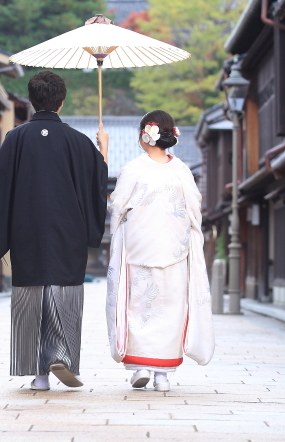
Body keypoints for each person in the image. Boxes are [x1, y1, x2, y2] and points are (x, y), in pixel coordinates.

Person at [0, 70, 109, 391]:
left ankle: (39, 374)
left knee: (31, 293)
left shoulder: (15, 138)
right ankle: (60, 355)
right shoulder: (79, 142)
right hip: (69, 231)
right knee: (64, 292)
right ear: (61, 102)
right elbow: (97, 185)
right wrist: (102, 150)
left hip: (26, 230)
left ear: (32, 100)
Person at [106, 110, 214, 392]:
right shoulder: (181, 171)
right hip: (174, 251)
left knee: (138, 307)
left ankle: (141, 367)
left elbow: (117, 207)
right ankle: (162, 376)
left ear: (145, 135)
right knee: (170, 308)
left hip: (139, 249)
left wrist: (118, 233)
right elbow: (194, 210)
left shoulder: (133, 169)